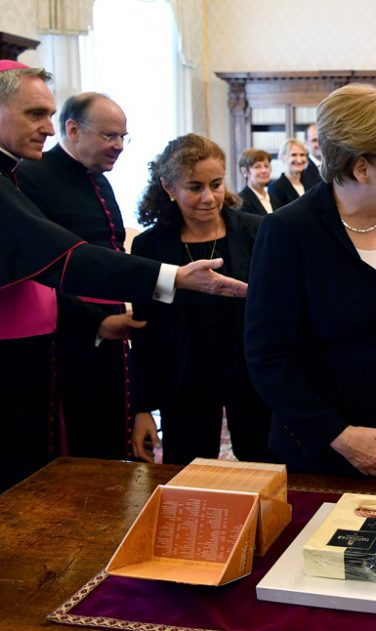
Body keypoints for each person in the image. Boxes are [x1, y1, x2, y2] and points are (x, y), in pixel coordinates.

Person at [0, 62, 247, 490]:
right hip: (43, 348)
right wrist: (175, 277)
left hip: (92, 338)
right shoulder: (30, 175)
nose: (47, 127)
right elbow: (63, 258)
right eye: (35, 114)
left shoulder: (64, 175)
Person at [245, 83, 376, 480]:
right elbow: (267, 357)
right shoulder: (288, 232)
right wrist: (336, 434)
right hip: (332, 451)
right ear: (360, 167)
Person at [130, 134, 274, 465]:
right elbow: (146, 333)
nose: (209, 197)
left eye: (216, 184)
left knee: (267, 469)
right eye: (195, 187)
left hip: (254, 379)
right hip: (185, 385)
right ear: (169, 188)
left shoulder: (259, 231)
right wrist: (141, 408)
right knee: (187, 477)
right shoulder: (150, 247)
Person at [16, 92, 140, 461]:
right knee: (80, 440)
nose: (118, 146)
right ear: (72, 130)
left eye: (123, 137)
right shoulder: (31, 176)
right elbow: (39, 266)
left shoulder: (100, 179)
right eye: (109, 136)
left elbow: (112, 249)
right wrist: (95, 322)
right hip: (69, 330)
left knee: (115, 431)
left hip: (114, 325)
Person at [267, 138, 309, 210]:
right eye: (294, 155)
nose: (299, 160)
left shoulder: (310, 183)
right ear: (282, 158)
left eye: (302, 155)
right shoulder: (275, 187)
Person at [237, 148, 273, 215]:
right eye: (257, 167)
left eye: (266, 166)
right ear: (244, 172)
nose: (264, 171)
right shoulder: (241, 201)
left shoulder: (274, 198)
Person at [302, 123, 322, 190]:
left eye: (322, 139)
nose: (319, 144)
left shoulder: (334, 165)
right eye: (314, 140)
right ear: (306, 144)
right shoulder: (302, 168)